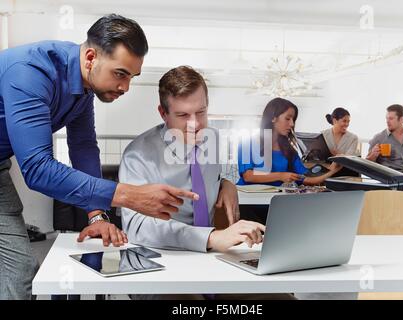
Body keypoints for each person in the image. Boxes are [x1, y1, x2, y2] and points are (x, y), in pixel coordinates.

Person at [0, 14, 197, 300]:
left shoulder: (84, 87)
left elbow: (83, 147)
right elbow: (38, 169)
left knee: (18, 270)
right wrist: (128, 195)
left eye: (131, 77)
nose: (125, 87)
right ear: (91, 56)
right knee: (17, 271)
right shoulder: (29, 72)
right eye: (120, 73)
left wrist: (96, 215)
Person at [120, 66, 294, 300]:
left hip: (211, 260)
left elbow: (215, 174)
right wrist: (211, 238)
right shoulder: (138, 155)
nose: (195, 124)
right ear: (163, 113)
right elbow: (137, 227)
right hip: (158, 262)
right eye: (183, 115)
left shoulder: (211, 139)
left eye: (201, 112)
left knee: (280, 298)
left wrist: (227, 182)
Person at [237, 97, 342, 224]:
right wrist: (281, 176)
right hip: (248, 205)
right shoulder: (248, 143)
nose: (292, 124)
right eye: (287, 118)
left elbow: (306, 179)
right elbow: (248, 176)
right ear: (273, 118)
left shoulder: (288, 150)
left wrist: (332, 170)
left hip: (274, 206)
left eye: (293, 119)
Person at [366, 104, 403, 188]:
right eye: (386, 118)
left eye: (391, 118)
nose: (387, 121)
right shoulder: (378, 138)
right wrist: (373, 155)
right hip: (385, 178)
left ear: (402, 119)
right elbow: (366, 164)